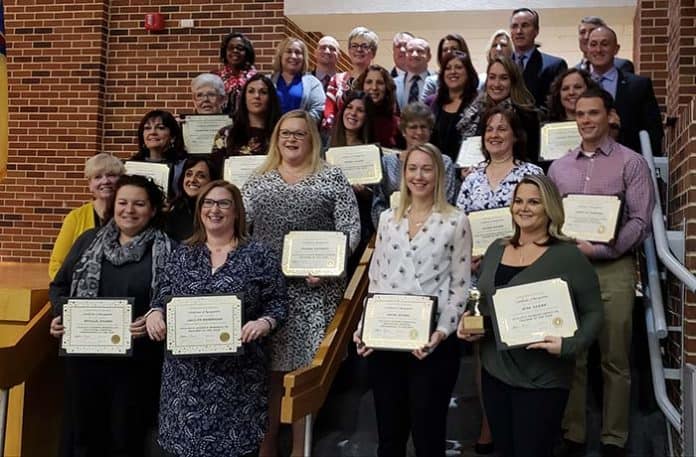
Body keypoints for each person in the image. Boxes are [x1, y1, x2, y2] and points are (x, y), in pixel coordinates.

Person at [458, 174, 603, 457]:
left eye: (533, 202)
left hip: (543, 378)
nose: (523, 208)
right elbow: (484, 305)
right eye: (519, 201)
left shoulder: (569, 256)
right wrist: (469, 323)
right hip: (495, 373)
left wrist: (570, 345)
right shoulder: (496, 249)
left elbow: (594, 312)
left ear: (549, 208)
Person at [242, 110, 360, 456]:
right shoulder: (257, 180)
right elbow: (240, 230)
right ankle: (266, 449)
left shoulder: (332, 177)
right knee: (268, 376)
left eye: (299, 134)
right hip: (266, 293)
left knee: (303, 376)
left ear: (313, 139)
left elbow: (350, 229)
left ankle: (298, 449)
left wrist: (329, 266)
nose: (291, 140)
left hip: (314, 290)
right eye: (284, 134)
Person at [146, 180, 288, 457]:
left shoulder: (260, 255)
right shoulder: (181, 254)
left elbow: (279, 303)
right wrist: (154, 314)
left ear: (237, 212)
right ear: (200, 211)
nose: (215, 209)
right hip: (186, 381)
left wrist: (264, 322)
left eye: (224, 203)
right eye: (208, 203)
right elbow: (160, 296)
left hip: (238, 379)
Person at [548, 88, 654, 457]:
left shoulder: (631, 162)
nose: (587, 120)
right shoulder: (559, 167)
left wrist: (604, 248)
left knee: (614, 359)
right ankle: (573, 434)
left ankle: (614, 438)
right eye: (580, 114)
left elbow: (641, 220)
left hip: (614, 268)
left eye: (594, 113)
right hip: (570, 270)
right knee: (572, 355)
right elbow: (552, 219)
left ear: (610, 116)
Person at [354, 142, 472, 457]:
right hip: (387, 342)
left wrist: (441, 333)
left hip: (432, 344)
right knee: (389, 438)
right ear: (403, 174)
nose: (419, 176)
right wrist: (364, 329)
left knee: (428, 437)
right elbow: (375, 280)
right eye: (412, 169)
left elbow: (460, 285)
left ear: (440, 174)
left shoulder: (455, 220)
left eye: (427, 168)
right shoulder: (389, 221)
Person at [49, 174, 173, 457]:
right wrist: (61, 315)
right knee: (84, 439)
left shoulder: (169, 250)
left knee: (125, 440)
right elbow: (60, 286)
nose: (129, 210)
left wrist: (160, 314)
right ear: (112, 205)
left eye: (139, 204)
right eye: (123, 202)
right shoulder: (87, 242)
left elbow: (175, 299)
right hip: (85, 362)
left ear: (153, 210)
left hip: (138, 366)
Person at [372, 102, 457, 227]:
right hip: (392, 227)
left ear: (430, 131)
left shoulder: (444, 163)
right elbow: (378, 204)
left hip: (434, 229)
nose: (419, 132)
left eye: (424, 127)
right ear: (403, 131)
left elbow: (447, 201)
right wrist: (390, 227)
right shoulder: (387, 162)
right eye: (413, 127)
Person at [586, 26, 664, 155]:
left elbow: (654, 131)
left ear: (616, 49)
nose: (598, 50)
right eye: (593, 45)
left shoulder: (639, 86)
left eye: (605, 44)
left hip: (628, 163)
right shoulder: (578, 85)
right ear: (587, 50)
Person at [48, 153, 125, 279]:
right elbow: (57, 263)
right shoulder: (76, 217)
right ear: (90, 184)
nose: (105, 181)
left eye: (111, 175)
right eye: (98, 177)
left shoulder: (130, 215)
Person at [457, 56, 542, 165]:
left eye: (504, 78)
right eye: (492, 77)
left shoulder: (526, 116)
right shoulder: (476, 111)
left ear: (513, 81)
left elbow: (531, 157)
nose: (496, 84)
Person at [330, 91, 375, 273]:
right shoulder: (325, 145)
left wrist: (364, 192)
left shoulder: (371, 150)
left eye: (360, 110)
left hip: (359, 225)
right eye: (349, 107)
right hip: (328, 223)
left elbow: (376, 195)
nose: (353, 113)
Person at [210, 74, 282, 170]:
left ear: (271, 98)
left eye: (263, 92)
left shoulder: (281, 135)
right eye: (251, 91)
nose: (257, 96)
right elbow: (214, 171)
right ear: (244, 97)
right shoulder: (225, 134)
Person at [321, 27, 379, 132]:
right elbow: (329, 108)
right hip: (341, 137)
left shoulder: (379, 80)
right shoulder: (337, 79)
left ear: (373, 52)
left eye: (364, 46)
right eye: (354, 46)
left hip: (371, 134)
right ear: (349, 50)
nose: (359, 49)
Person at [509, 8, 568, 108]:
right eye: (514, 26)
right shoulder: (502, 65)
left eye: (525, 25)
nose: (519, 31)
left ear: (536, 31)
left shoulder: (555, 66)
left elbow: (554, 106)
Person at [429, 51, 479, 163]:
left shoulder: (478, 104)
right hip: (436, 169)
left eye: (458, 67)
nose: (453, 72)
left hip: (465, 171)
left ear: (468, 72)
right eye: (448, 68)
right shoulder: (435, 104)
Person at [129, 109, 189, 198]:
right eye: (147, 128)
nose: (152, 132)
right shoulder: (131, 165)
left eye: (160, 128)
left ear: (172, 137)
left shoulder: (183, 166)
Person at [270, 37, 326, 123]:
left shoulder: (313, 83)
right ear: (281, 56)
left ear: (303, 58)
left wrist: (299, 126)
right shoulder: (268, 81)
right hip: (271, 133)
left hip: (300, 133)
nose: (293, 56)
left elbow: (318, 109)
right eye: (289, 51)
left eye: (298, 52)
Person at [164, 157, 219, 241]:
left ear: (212, 181)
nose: (192, 180)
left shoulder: (217, 212)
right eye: (188, 174)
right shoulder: (172, 209)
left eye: (201, 176)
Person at [354, 64, 403, 148]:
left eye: (380, 83)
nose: (374, 87)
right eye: (369, 82)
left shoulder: (397, 124)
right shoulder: (351, 118)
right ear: (362, 86)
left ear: (387, 87)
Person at [213, 32, 257, 114]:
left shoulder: (255, 79)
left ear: (247, 52)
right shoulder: (216, 79)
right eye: (230, 48)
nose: (235, 50)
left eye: (240, 48)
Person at [421, 33, 471, 102]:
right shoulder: (432, 82)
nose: (449, 52)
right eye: (445, 50)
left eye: (454, 49)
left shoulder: (476, 82)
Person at [394, 37, 432, 110]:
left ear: (429, 57)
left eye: (420, 51)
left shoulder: (438, 82)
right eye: (410, 51)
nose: (414, 54)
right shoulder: (393, 83)